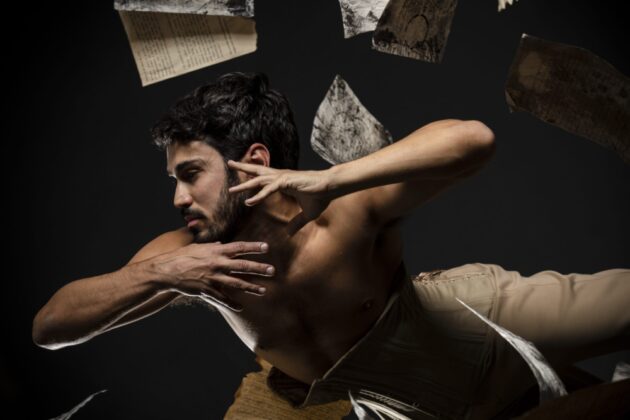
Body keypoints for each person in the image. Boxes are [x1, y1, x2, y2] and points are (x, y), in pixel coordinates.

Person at [32, 72, 629, 419]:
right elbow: (51, 328)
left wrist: (330, 177)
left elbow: (473, 140)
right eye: (175, 181)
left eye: (191, 174)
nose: (179, 200)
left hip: (472, 321)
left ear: (251, 165)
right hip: (413, 406)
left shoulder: (338, 210)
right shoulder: (184, 259)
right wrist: (162, 274)